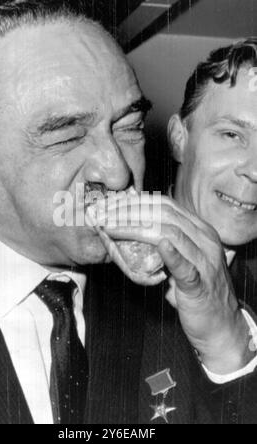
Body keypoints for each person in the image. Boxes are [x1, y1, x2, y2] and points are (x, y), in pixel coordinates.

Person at [0, 0, 254, 424]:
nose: (117, 173)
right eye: (66, 135)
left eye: (128, 127)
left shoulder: (172, 301)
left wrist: (227, 346)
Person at [101, 38, 257, 424]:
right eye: (232, 135)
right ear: (178, 138)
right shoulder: (100, 269)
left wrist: (231, 345)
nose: (255, 171)